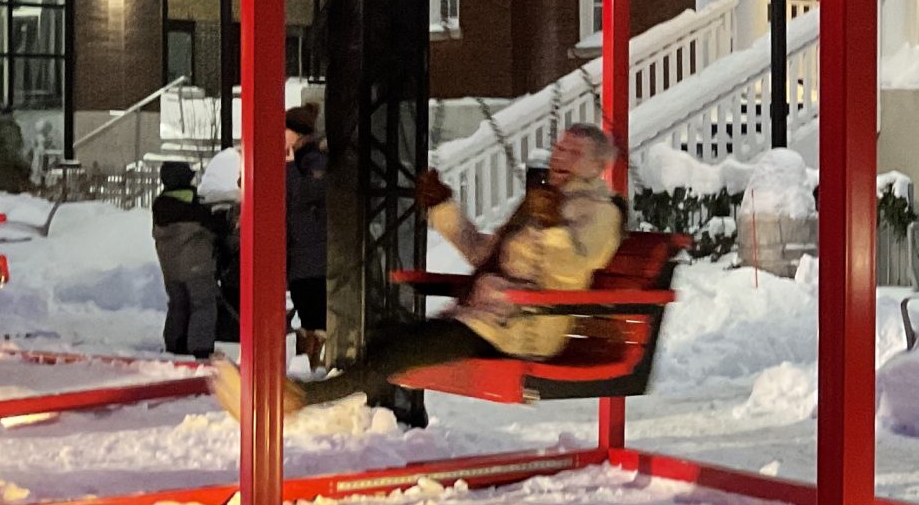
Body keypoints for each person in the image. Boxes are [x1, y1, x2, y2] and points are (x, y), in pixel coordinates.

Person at [210, 125, 626, 418]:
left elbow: (574, 275)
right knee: (383, 336)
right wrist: (441, 206)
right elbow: (483, 253)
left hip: (529, 326)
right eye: (557, 148)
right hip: (490, 318)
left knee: (402, 350)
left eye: (571, 153)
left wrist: (552, 227)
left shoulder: (600, 213)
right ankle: (293, 396)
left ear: (596, 166)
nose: (558, 157)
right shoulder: (539, 202)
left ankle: (294, 400)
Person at [151, 159, 222, 359]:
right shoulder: (192, 208)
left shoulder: (161, 206)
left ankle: (175, 344)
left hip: (171, 268)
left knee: (178, 304)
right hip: (196, 266)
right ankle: (201, 348)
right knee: (203, 304)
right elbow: (215, 227)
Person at [283, 103, 328, 366]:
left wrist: (288, 166)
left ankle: (315, 361)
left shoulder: (316, 162)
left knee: (314, 311)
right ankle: (308, 359)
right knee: (305, 306)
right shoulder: (299, 161)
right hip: (298, 252)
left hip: (313, 252)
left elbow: (302, 195)